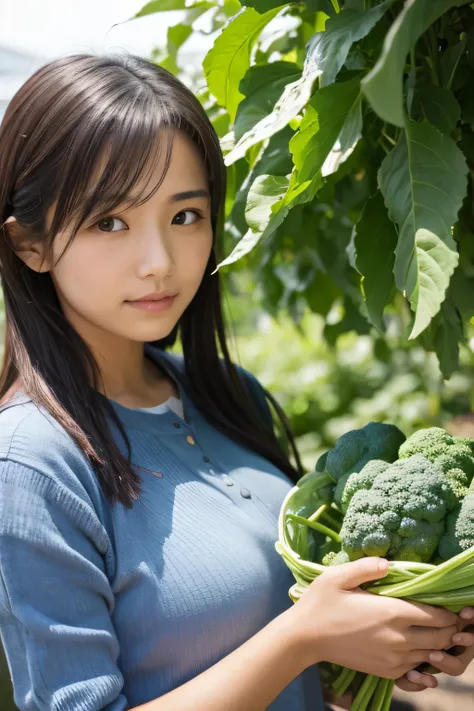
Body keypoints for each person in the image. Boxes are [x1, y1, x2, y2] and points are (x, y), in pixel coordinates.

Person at [0, 53, 472, 711]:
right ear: (30, 244)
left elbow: (285, 662)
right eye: (111, 221)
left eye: (185, 215)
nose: (159, 261)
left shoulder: (224, 392)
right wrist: (302, 637)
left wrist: (393, 634)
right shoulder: (31, 461)